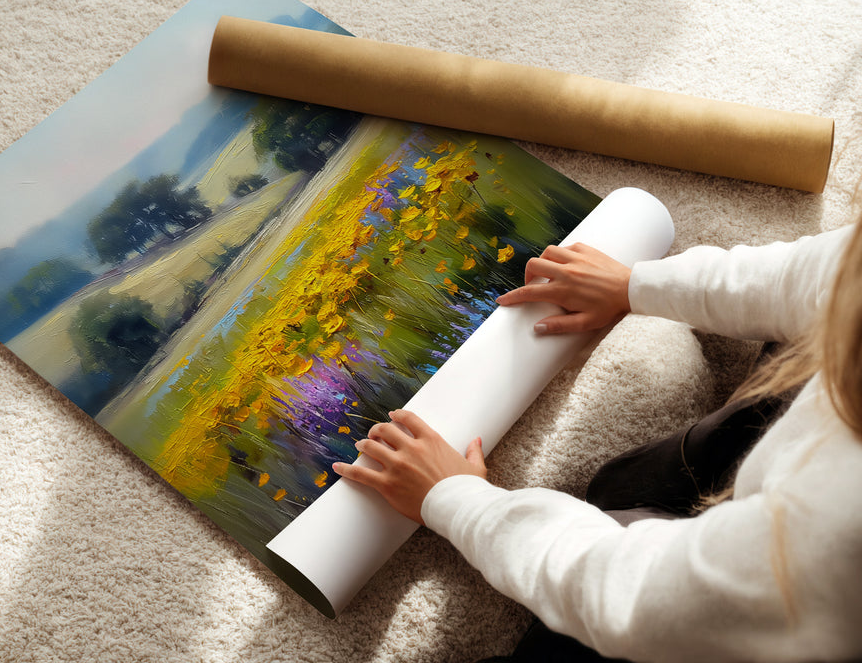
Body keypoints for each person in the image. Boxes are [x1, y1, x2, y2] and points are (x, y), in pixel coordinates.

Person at [332, 223, 862, 662]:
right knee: (624, 485)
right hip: (793, 505)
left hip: (784, 611)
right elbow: (821, 274)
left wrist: (456, 500)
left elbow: (633, 595)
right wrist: (635, 285)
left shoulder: (836, 531)